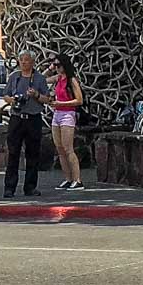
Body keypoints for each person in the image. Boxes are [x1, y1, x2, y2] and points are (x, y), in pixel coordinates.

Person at [2, 51, 51, 197]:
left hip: (33, 118)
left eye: (27, 60)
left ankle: (30, 187)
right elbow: (5, 95)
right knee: (13, 153)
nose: (24, 62)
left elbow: (47, 99)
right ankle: (9, 187)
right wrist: (11, 100)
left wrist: (36, 95)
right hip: (17, 118)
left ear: (33, 62)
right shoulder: (14, 77)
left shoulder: (40, 78)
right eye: (21, 60)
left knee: (33, 154)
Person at [43, 52, 84, 190]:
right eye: (55, 65)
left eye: (59, 65)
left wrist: (61, 103)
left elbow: (79, 100)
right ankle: (67, 178)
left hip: (67, 113)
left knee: (68, 148)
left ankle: (77, 179)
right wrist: (50, 68)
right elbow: (42, 79)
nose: (57, 68)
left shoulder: (71, 80)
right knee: (59, 148)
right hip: (57, 114)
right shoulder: (58, 78)